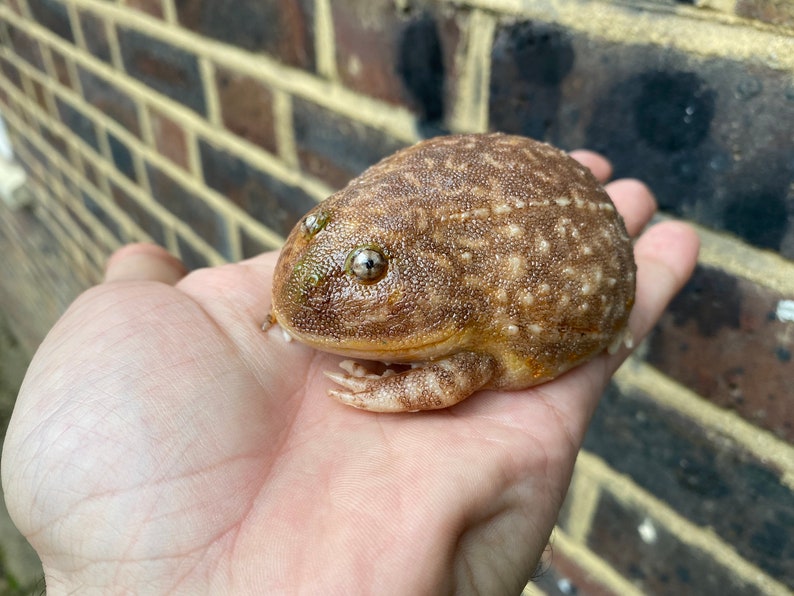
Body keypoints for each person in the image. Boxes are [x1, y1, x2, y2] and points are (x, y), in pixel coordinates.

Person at [1, 151, 698, 594]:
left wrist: (400, 388)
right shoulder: (354, 225)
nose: (309, 252)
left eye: (369, 269)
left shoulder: (456, 306)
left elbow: (474, 364)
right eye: (311, 226)